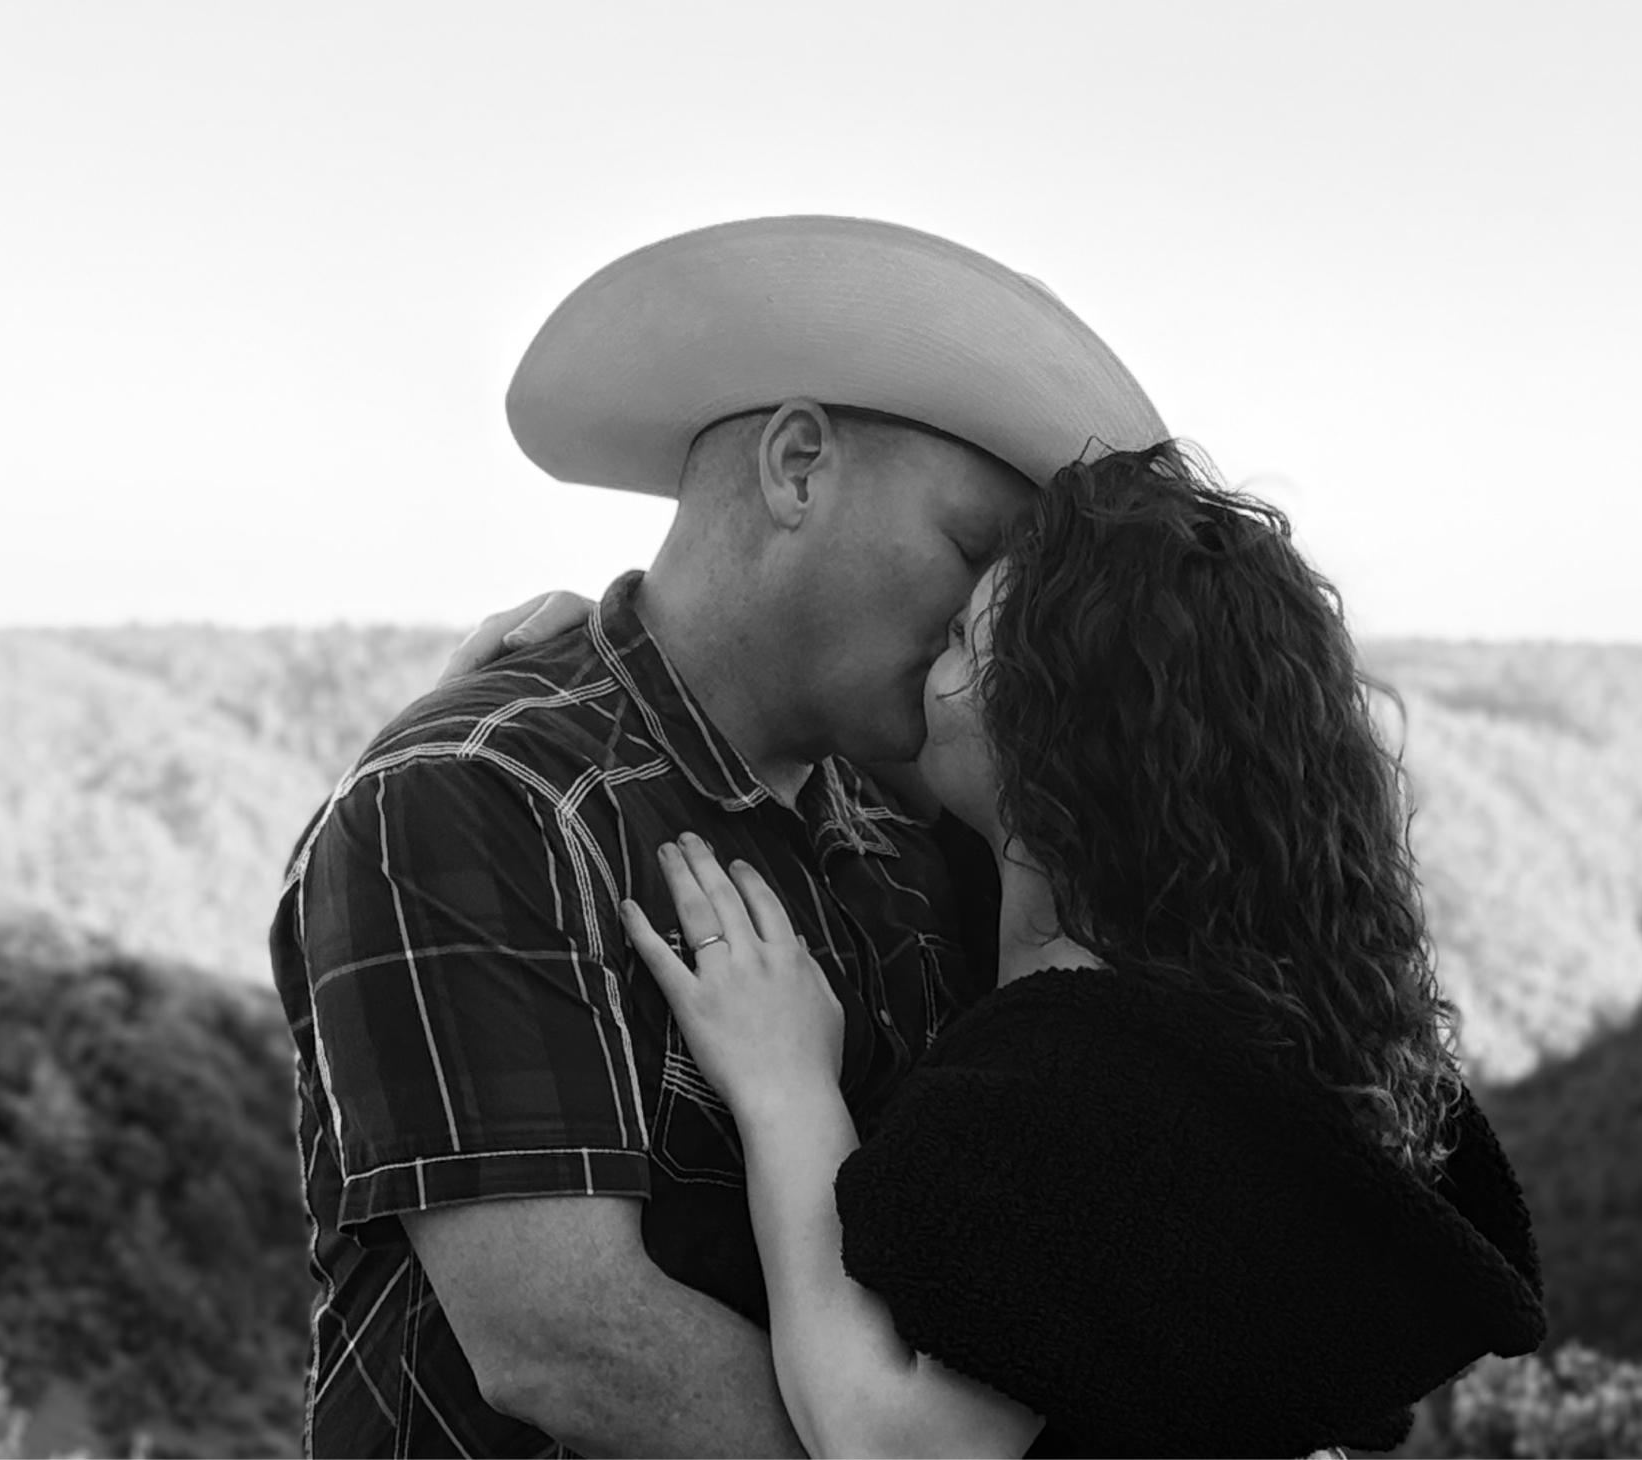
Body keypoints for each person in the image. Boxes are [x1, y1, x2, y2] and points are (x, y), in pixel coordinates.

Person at [269, 215, 1166, 1457]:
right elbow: (567, 1342)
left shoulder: (920, 835)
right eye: (973, 552)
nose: (991, 626)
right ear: (797, 465)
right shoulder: (485, 794)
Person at [604, 442, 1550, 1457]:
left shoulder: (1079, 1087)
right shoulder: (1218, 1024)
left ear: (1048, 735)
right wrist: (607, 649)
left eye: (962, 641)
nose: (931, 659)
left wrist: (786, 1088)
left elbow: (901, 1443)